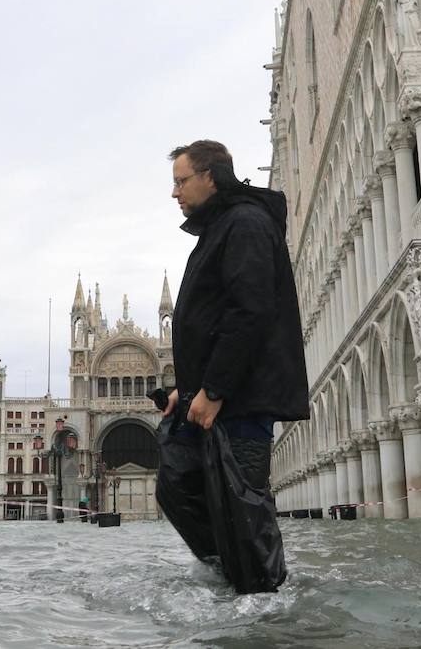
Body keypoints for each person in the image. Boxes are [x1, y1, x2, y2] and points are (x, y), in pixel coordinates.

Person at [155, 139, 309, 593]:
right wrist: (190, 387)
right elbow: (215, 317)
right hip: (216, 394)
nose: (175, 192)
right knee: (179, 483)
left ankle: (262, 594)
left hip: (240, 399)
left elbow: (249, 312)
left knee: (244, 501)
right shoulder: (223, 226)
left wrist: (215, 390)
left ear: (209, 177)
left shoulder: (244, 223)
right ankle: (230, 569)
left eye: (181, 181)